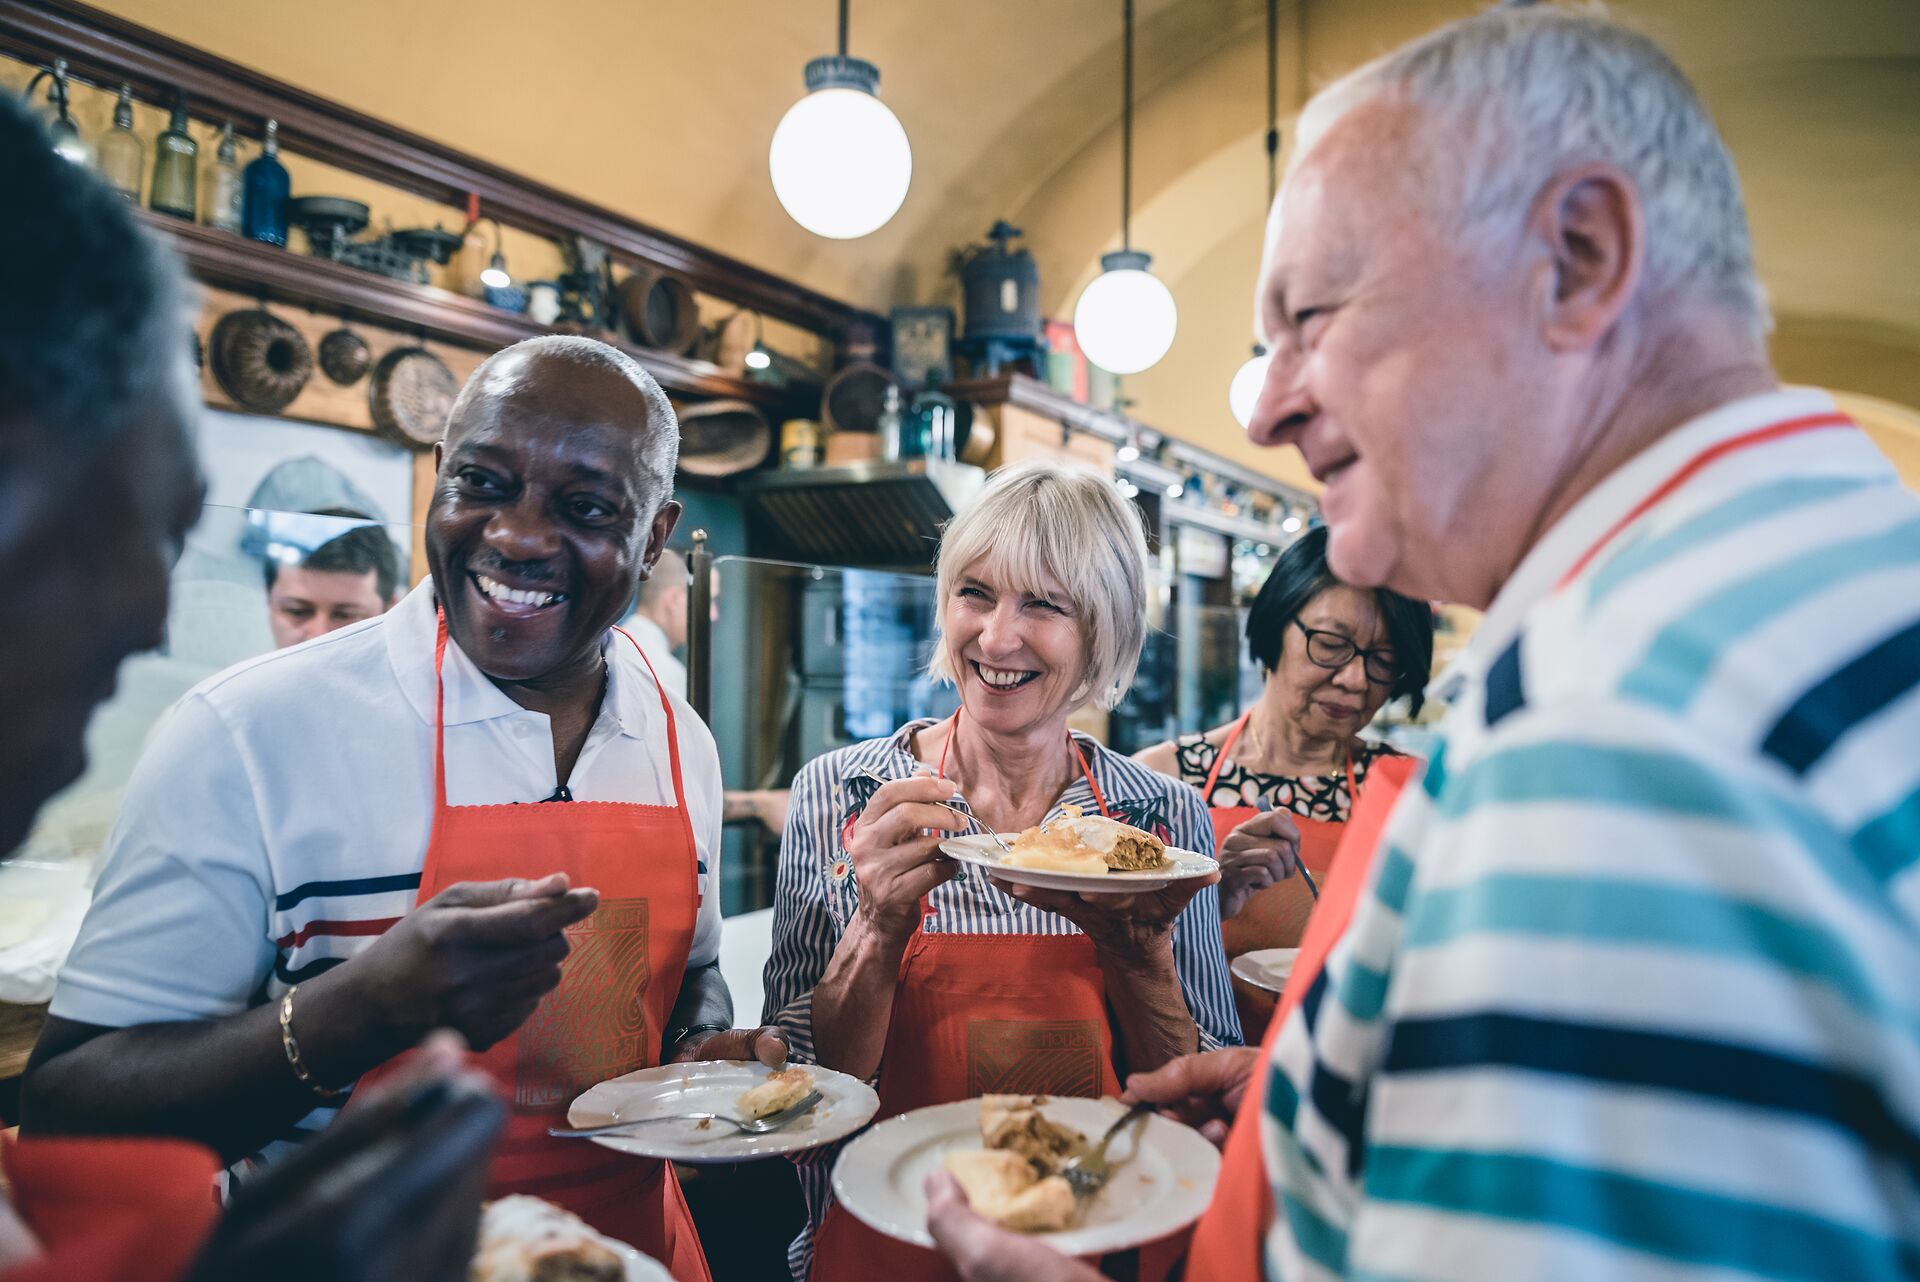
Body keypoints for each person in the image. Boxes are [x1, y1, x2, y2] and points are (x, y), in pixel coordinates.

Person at [927, 5, 1920, 1279]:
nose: (1274, 402)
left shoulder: (1614, 726)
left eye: (1314, 317)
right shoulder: (1800, 575)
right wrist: (1337, 1104)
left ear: (1577, 255)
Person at [26, 335, 787, 1282]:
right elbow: (72, 1108)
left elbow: (694, 971)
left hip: (630, 1257)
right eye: (483, 483)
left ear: (658, 535)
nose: (515, 536)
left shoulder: (681, 741)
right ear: (438, 474)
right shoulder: (245, 734)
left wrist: (698, 1051)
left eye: (585, 506)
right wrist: (362, 1009)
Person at [0, 92, 501, 1282]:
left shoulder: (664, 722)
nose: (149, 618)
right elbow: (78, 1096)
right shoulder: (233, 732)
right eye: (134, 526)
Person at [764, 461, 1240, 1282]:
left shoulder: (1159, 824)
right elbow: (804, 1097)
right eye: (976, 593)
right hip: (890, 1241)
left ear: (1105, 633)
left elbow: (1195, 1096)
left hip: (1088, 1241)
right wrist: (876, 926)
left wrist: (1140, 959)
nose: (996, 637)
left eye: (1045, 605)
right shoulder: (844, 796)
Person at [1136, 524, 1431, 953]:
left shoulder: (1407, 790)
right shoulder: (1161, 781)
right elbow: (1118, 948)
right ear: (1275, 629)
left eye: (1384, 661)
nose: (1355, 679)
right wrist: (1211, 897)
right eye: (1330, 645)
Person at [262, 508, 403, 649]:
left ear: (390, 611)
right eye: (297, 611)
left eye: (345, 615)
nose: (318, 635)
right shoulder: (245, 671)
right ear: (270, 601)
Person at [621, 546, 688, 699]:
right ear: (674, 599)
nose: (713, 614)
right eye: (708, 600)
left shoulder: (612, 647)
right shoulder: (667, 673)